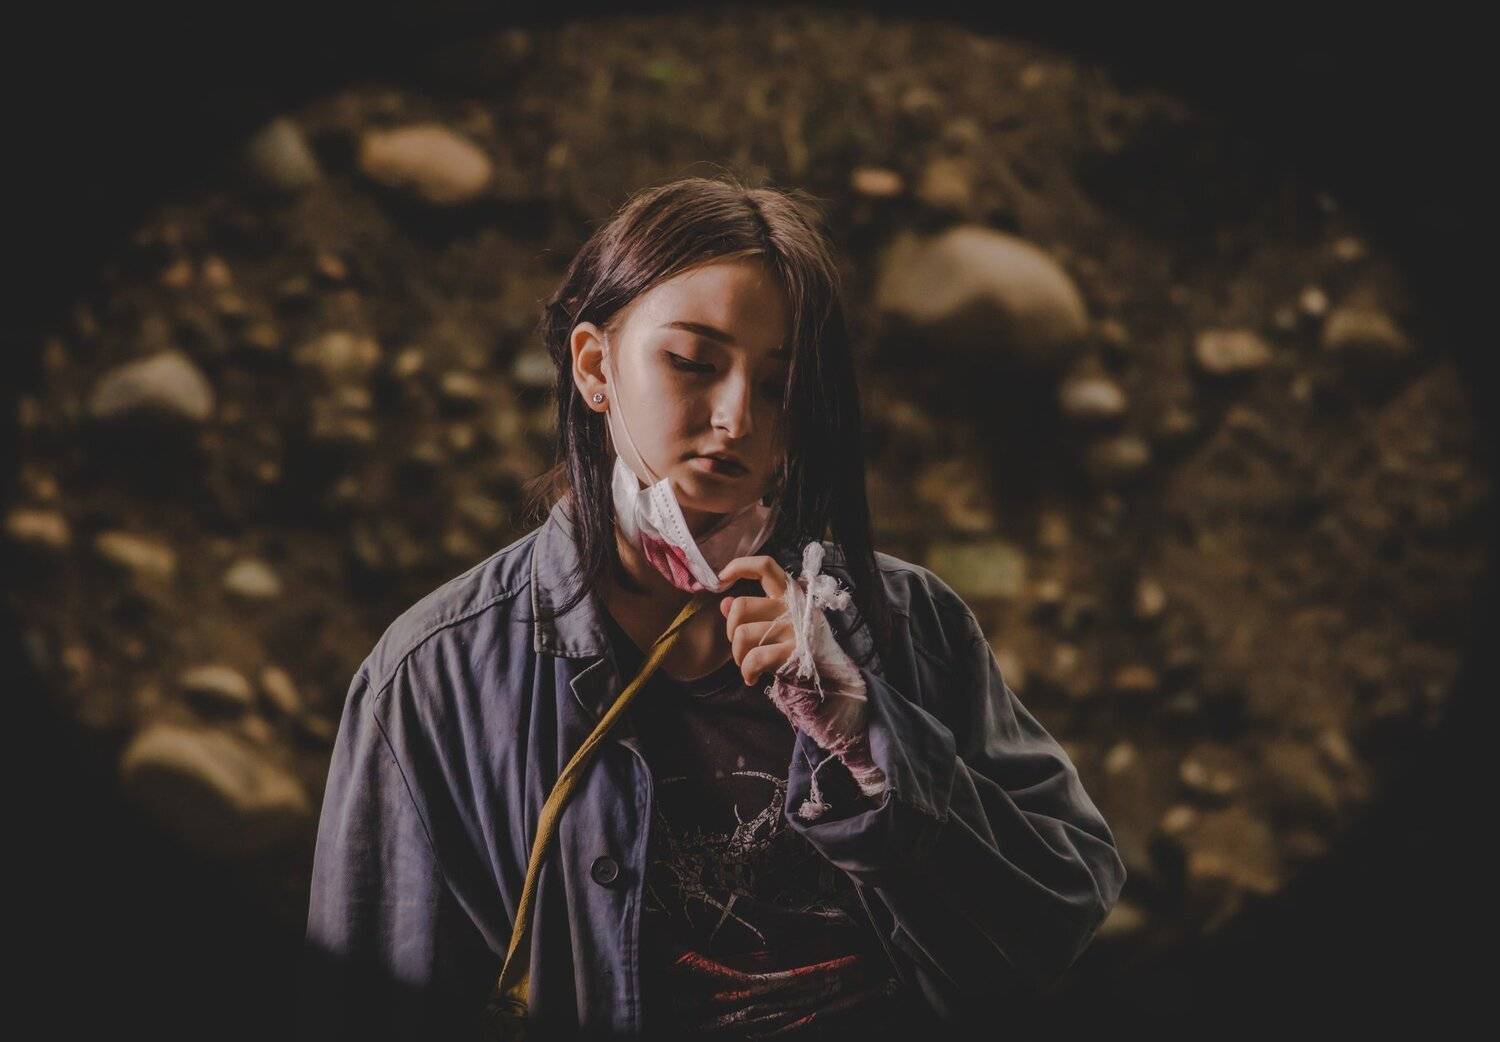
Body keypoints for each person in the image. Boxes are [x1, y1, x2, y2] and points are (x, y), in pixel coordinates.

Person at [301, 175, 1127, 1041]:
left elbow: (1058, 917)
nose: (735, 417)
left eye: (778, 386)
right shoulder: (434, 678)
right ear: (594, 367)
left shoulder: (911, 624)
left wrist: (873, 738)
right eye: (692, 363)